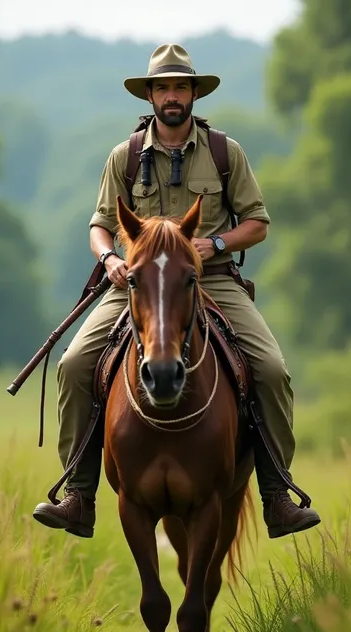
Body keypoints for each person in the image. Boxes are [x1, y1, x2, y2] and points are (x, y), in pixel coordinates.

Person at [32, 43, 321, 540]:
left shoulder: (225, 154)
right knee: (74, 364)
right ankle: (79, 495)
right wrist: (111, 259)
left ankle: (277, 497)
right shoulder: (123, 157)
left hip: (209, 281)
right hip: (137, 283)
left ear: (193, 94)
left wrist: (212, 244)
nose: (172, 96)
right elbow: (100, 225)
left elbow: (257, 224)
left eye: (180, 87)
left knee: (272, 371)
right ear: (149, 95)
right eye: (162, 87)